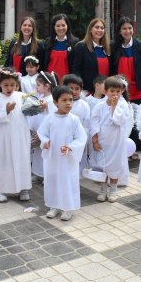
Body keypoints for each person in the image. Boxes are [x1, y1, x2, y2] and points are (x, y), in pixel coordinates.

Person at [39, 85, 87, 221]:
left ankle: (67, 207)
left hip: (67, 158)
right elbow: (42, 133)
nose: (68, 103)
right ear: (55, 102)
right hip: (52, 156)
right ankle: (54, 206)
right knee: (52, 179)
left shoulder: (74, 119)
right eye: (64, 100)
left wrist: (70, 147)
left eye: (70, 100)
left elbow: (81, 137)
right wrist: (45, 141)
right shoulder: (49, 118)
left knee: (67, 180)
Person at [0, 68, 32, 202]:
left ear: (17, 85)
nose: (9, 88)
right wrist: (5, 111)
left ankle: (23, 188)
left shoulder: (21, 96)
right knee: (4, 160)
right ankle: (1, 190)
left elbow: (30, 110)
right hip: (4, 135)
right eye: (6, 85)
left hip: (20, 134)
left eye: (12, 85)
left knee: (22, 158)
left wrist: (38, 106)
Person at [90, 76, 133, 203]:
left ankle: (113, 190)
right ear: (106, 91)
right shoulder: (99, 106)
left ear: (122, 92)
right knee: (102, 166)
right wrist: (95, 140)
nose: (115, 94)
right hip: (103, 142)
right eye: (112, 91)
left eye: (118, 92)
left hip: (116, 142)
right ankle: (103, 190)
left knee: (115, 166)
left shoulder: (123, 106)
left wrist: (114, 107)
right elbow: (94, 122)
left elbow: (119, 121)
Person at [111, 17, 141, 104]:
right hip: (118, 90)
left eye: (130, 28)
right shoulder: (113, 46)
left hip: (137, 90)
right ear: (119, 31)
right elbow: (111, 69)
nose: (127, 31)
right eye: (124, 28)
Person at [28, 71, 58, 181]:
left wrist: (44, 132)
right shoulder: (40, 98)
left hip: (45, 133)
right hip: (37, 132)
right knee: (38, 154)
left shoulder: (51, 100)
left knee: (46, 154)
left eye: (38, 85)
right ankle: (38, 173)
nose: (37, 88)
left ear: (47, 86)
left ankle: (47, 176)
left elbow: (51, 116)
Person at [73, 18, 111, 95]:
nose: (99, 30)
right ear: (90, 29)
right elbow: (76, 69)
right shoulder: (81, 47)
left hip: (106, 91)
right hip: (88, 91)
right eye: (97, 27)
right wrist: (80, 88)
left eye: (102, 28)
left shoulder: (108, 47)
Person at [62, 74, 90, 171]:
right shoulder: (60, 103)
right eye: (71, 88)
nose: (74, 91)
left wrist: (82, 140)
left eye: (77, 88)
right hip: (63, 137)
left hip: (78, 138)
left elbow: (87, 124)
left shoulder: (84, 105)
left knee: (75, 164)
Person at [44, 14, 79, 79]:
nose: (61, 28)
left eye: (63, 25)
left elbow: (76, 66)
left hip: (67, 82)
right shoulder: (48, 41)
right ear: (54, 27)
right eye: (58, 26)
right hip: (50, 81)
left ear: (67, 26)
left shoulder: (75, 42)